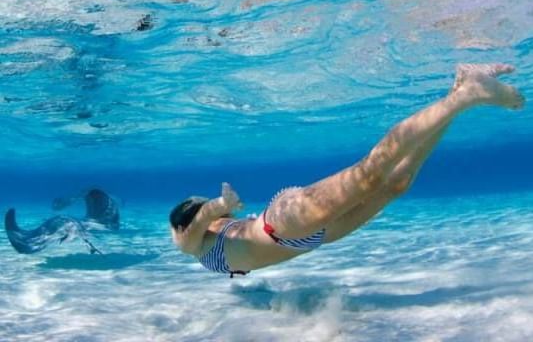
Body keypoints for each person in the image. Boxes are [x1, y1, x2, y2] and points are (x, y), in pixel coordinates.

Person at [169, 63, 525, 277]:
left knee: (371, 171)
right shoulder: (190, 239)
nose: (207, 208)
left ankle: (466, 96)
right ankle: (460, 89)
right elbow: (192, 230)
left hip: (282, 223)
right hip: (313, 237)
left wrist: (217, 208)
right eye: (197, 206)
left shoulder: (216, 229)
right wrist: (212, 208)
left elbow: (203, 224)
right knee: (396, 183)